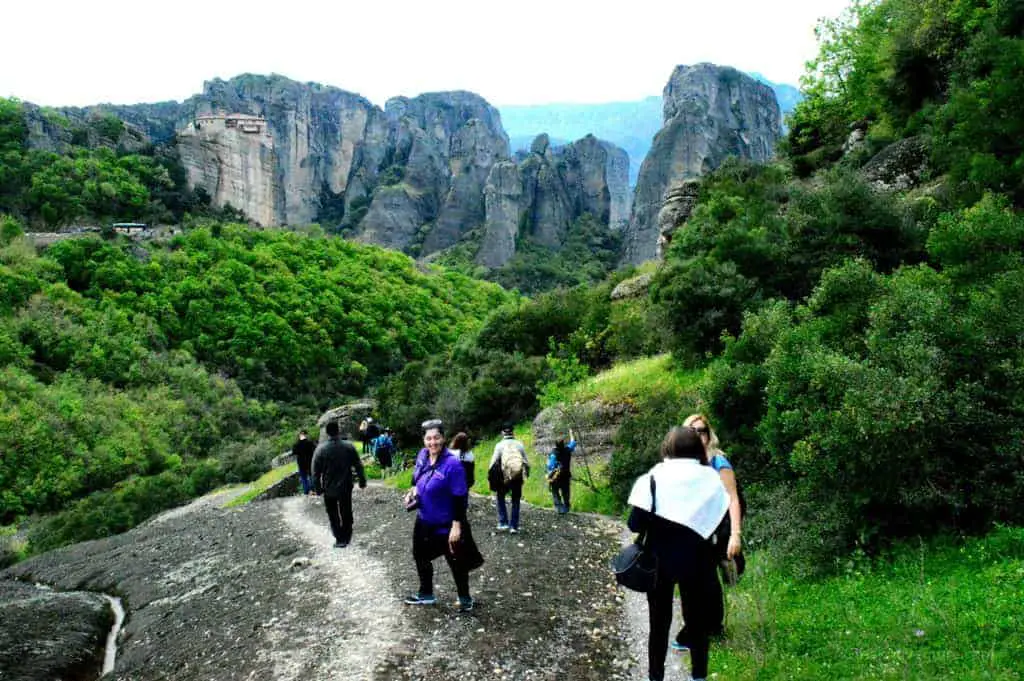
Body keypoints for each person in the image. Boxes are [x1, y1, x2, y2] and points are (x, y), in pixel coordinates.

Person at [627, 426, 729, 681]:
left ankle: (656, 677)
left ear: (668, 448)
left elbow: (634, 524)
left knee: (659, 624)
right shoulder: (711, 479)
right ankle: (698, 676)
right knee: (697, 624)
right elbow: (720, 521)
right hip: (698, 560)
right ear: (697, 448)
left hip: (658, 561)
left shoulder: (653, 478)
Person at [674, 412, 744, 644]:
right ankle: (698, 628)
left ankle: (711, 628)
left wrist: (736, 535)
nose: (697, 435)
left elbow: (733, 499)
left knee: (706, 581)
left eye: (701, 430)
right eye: (691, 431)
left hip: (715, 531)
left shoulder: (718, 462)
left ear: (708, 434)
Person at [404, 419, 482, 612]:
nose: (433, 442)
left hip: (447, 523)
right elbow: (417, 478)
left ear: (443, 438)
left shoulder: (453, 465)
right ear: (424, 440)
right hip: (424, 519)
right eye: (429, 438)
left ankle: (465, 599)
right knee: (420, 556)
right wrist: (413, 491)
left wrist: (457, 525)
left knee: (456, 561)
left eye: (437, 438)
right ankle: (426, 594)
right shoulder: (423, 455)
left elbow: (460, 497)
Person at [312, 421, 367, 548]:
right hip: (345, 486)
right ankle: (346, 536)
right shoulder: (348, 446)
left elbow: (315, 472)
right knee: (346, 511)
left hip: (329, 487)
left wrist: (318, 488)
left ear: (327, 433)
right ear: (338, 430)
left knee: (332, 514)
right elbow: (358, 465)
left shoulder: (320, 450)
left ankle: (339, 538)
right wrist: (362, 481)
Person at [488, 423, 530, 533]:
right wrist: (526, 475)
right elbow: (527, 462)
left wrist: (490, 476)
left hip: (503, 477)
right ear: (513, 432)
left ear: (503, 433)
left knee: (500, 497)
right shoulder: (519, 445)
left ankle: (503, 523)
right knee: (516, 500)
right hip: (517, 477)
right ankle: (514, 526)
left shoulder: (499, 445)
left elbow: (492, 463)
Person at [546, 432, 576, 514]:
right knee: (566, 492)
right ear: (563, 444)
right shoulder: (567, 450)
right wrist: (571, 434)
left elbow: (550, 466)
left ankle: (559, 507)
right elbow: (573, 442)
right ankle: (566, 507)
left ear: (555, 445)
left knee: (555, 492)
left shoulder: (553, 454)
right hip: (566, 476)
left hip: (556, 477)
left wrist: (548, 475)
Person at [292, 429, 316, 496]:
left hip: (301, 463)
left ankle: (306, 491)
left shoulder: (296, 444)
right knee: (311, 476)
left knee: (304, 478)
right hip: (310, 462)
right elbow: (315, 449)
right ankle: (313, 490)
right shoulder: (310, 442)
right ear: (306, 435)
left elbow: (294, 452)